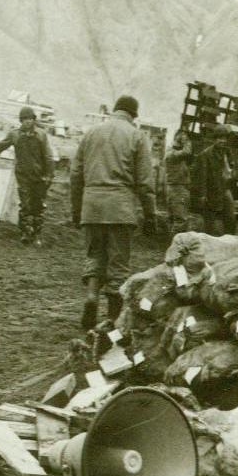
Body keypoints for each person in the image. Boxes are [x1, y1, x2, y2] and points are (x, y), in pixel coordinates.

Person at [72, 95, 156, 330]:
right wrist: (150, 215)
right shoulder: (137, 136)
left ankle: (90, 298)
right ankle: (112, 320)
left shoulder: (91, 133)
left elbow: (75, 175)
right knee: (118, 263)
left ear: (114, 110)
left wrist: (77, 209)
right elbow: (145, 182)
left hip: (92, 205)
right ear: (133, 114)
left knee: (94, 254)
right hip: (120, 208)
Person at [0, 107, 54, 245]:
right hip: (23, 176)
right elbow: (0, 146)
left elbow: (48, 156)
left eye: (30, 119)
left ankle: (37, 234)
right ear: (21, 120)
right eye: (25, 119)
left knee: (38, 205)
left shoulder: (41, 135)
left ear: (34, 120)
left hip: (40, 176)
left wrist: (49, 175)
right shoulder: (15, 135)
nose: (27, 122)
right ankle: (25, 232)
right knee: (25, 204)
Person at [194, 125, 238, 236]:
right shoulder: (206, 154)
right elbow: (202, 175)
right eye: (220, 138)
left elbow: (232, 168)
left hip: (224, 188)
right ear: (215, 139)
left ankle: (229, 241)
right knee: (210, 221)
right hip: (211, 190)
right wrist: (203, 195)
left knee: (231, 217)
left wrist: (232, 171)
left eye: (224, 138)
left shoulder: (227, 152)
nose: (222, 141)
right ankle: (208, 242)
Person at [161, 131, 193, 237]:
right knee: (180, 220)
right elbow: (187, 152)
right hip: (177, 188)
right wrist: (186, 140)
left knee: (173, 218)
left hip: (175, 188)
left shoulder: (174, 154)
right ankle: (176, 246)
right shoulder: (172, 154)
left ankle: (171, 243)